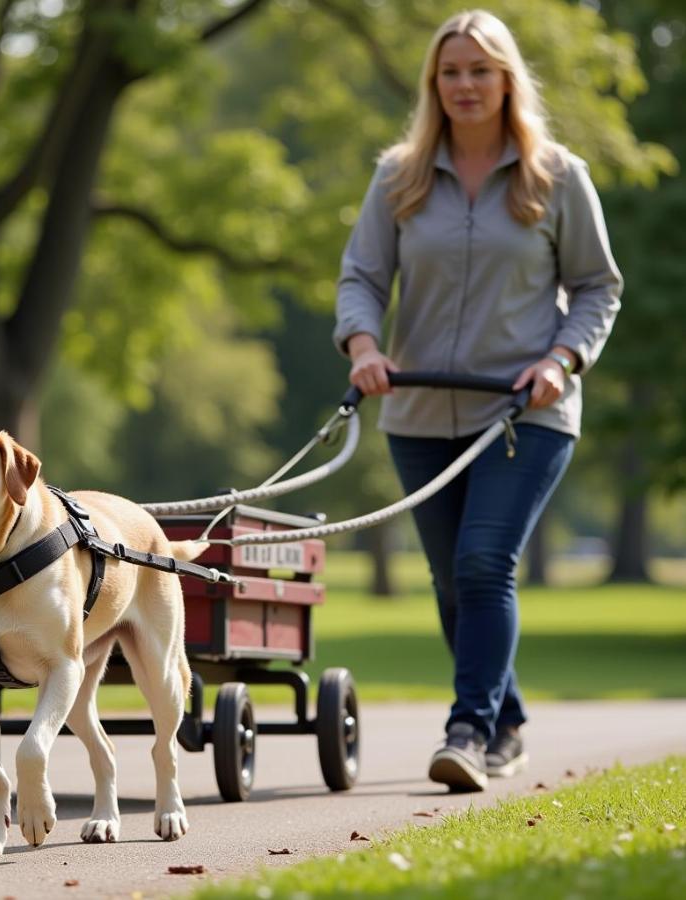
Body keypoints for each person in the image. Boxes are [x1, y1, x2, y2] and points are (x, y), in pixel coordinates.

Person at [333, 9, 621, 792]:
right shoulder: (398, 176)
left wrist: (564, 357)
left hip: (526, 412)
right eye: (450, 72)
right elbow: (362, 276)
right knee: (454, 583)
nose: (464, 85)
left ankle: (468, 731)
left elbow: (598, 286)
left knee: (485, 562)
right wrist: (363, 345)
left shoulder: (559, 176)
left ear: (506, 79)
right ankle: (509, 722)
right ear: (436, 84)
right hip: (419, 412)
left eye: (479, 71)